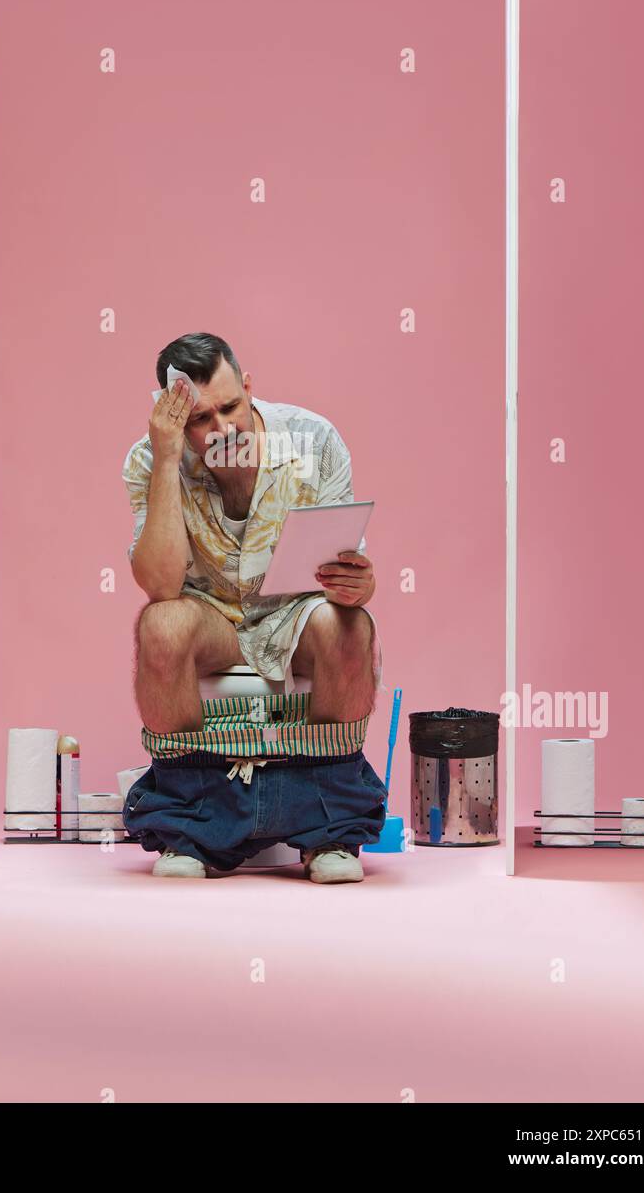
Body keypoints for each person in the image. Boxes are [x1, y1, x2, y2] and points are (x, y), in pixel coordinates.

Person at [121, 332, 386, 883]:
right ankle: (189, 824)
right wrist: (169, 458)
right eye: (199, 420)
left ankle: (330, 832)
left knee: (349, 626)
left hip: (294, 609)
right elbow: (161, 583)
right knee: (160, 625)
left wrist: (359, 586)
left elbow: (345, 564)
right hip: (210, 615)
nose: (221, 431)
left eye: (230, 407)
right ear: (170, 415)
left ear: (248, 385)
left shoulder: (315, 438)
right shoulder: (151, 458)